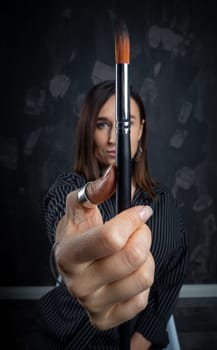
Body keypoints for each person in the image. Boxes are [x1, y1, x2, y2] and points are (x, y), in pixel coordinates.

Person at [29, 80, 188, 349]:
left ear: (141, 130)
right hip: (58, 336)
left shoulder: (163, 200)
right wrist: (66, 245)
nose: (114, 138)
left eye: (126, 124)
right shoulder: (68, 187)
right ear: (88, 131)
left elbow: (170, 280)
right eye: (102, 124)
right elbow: (63, 230)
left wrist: (139, 342)